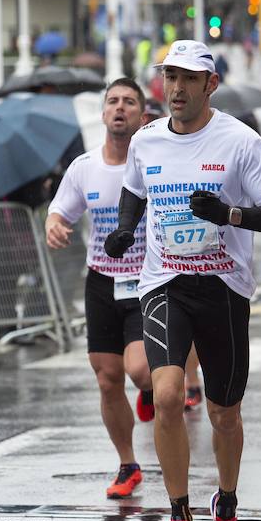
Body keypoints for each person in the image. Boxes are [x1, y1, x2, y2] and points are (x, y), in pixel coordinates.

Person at [103, 40, 261, 521]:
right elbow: (135, 189)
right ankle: (180, 519)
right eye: (170, 78)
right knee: (166, 395)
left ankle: (227, 507)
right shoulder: (146, 140)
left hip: (224, 289)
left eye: (189, 79)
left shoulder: (240, 142)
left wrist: (230, 214)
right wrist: (125, 230)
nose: (177, 89)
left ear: (210, 85)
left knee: (224, 412)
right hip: (165, 283)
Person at [45, 78, 154, 499]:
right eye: (113, 101)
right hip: (102, 281)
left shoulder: (151, 167)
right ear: (104, 113)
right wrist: (55, 226)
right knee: (108, 379)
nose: (120, 108)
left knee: (139, 370)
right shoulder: (84, 167)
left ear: (142, 116)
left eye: (129, 102)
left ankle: (149, 389)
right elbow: (59, 212)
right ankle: (128, 463)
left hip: (146, 280)